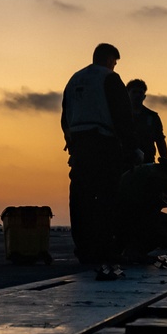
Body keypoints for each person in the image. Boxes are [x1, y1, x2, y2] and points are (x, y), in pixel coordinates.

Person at [61, 43, 143, 280]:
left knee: (80, 197)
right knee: (107, 196)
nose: (114, 66)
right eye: (114, 62)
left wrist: (72, 142)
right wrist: (132, 147)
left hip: (79, 143)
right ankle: (106, 248)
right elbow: (122, 115)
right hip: (103, 142)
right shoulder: (109, 78)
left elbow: (65, 115)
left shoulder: (74, 79)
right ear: (109, 60)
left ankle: (84, 249)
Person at [117, 156, 167, 261]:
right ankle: (135, 251)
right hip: (125, 213)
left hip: (123, 208)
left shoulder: (157, 170)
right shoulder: (162, 182)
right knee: (164, 225)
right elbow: (148, 215)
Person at [126, 79, 167, 163]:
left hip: (147, 162)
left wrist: (166, 161)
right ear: (127, 94)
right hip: (124, 162)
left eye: (140, 92)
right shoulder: (120, 115)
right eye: (134, 92)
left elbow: (160, 140)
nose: (137, 95)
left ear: (144, 96)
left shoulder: (153, 117)